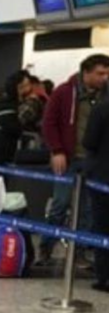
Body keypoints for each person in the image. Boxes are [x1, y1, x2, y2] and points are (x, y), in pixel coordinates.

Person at [39, 54, 109, 263]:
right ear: (85, 72)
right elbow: (49, 123)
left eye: (107, 73)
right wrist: (56, 150)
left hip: (92, 161)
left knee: (88, 209)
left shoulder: (104, 97)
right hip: (68, 158)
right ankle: (45, 248)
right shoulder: (64, 92)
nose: (104, 78)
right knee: (60, 204)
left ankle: (79, 252)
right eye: (100, 73)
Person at [83, 100, 109, 293]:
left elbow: (89, 141)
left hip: (103, 175)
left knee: (102, 226)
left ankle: (104, 277)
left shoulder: (101, 108)